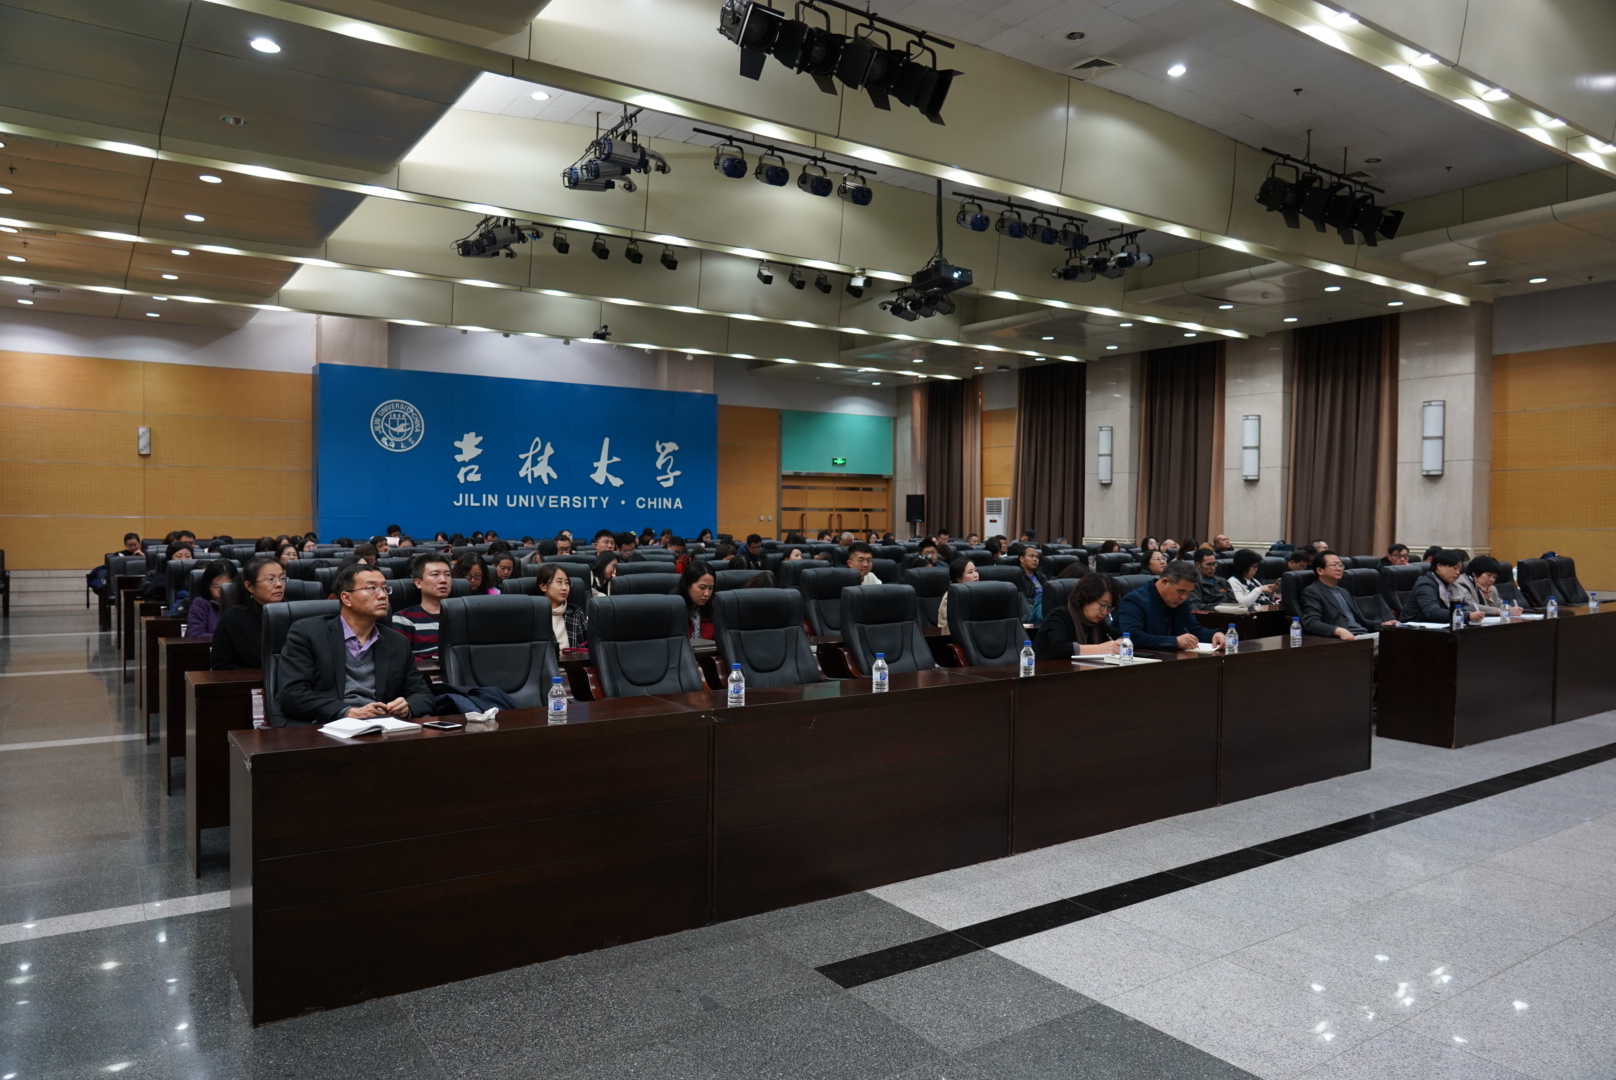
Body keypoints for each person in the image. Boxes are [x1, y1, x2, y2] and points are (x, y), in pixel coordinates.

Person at [274, 564, 433, 727]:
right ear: (346, 598)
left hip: (381, 726)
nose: (382, 595)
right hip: (326, 725)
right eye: (371, 588)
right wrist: (346, 712)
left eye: (385, 589)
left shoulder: (397, 642)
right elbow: (292, 694)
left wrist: (407, 707)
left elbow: (422, 694)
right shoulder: (307, 633)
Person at [1117, 561, 1224, 651]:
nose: (1184, 597)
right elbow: (1132, 637)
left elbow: (1193, 628)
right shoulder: (1134, 600)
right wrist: (1175, 642)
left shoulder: (1180, 601)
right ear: (1164, 582)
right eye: (1181, 591)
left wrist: (1214, 635)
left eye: (1188, 593)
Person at [210, 556, 285, 670]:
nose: (279, 584)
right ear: (249, 586)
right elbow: (220, 667)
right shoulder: (231, 620)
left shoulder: (294, 614)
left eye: (282, 578)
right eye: (270, 580)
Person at [1033, 572, 1122, 660]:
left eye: (1109, 607)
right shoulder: (1058, 617)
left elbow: (1121, 636)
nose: (1105, 612)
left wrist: (1120, 643)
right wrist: (1099, 649)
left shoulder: (1096, 623)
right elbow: (1058, 648)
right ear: (1087, 597)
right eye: (1103, 605)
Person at [1299, 551, 1378, 639]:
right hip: (1344, 639)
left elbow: (1357, 620)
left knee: (1389, 635)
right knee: (1387, 639)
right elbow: (1311, 623)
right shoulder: (1312, 592)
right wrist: (1338, 630)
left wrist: (1382, 624)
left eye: (1340, 565)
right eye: (1334, 565)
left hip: (1363, 634)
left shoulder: (1343, 591)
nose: (1339, 569)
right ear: (1320, 570)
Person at [392, 552, 452, 664]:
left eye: (447, 574)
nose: (443, 580)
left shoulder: (462, 616)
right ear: (418, 583)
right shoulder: (403, 619)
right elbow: (400, 658)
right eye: (435, 574)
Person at [534, 563, 588, 652]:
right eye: (559, 582)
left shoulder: (576, 612)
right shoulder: (535, 616)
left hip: (576, 660)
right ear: (543, 586)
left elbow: (590, 644)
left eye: (567, 583)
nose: (564, 588)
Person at [1407, 549, 1468, 622]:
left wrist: (1466, 613)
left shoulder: (1453, 586)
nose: (1458, 572)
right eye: (1455, 568)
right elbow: (1433, 612)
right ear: (1439, 566)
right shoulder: (1426, 585)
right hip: (1415, 626)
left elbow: (1466, 606)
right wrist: (1466, 615)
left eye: (1459, 570)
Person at [185, 560, 239, 638]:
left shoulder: (244, 603)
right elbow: (195, 635)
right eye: (216, 586)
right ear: (208, 586)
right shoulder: (200, 604)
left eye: (227, 586)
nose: (221, 591)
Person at [1453, 555, 1521, 617]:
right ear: (1475, 573)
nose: (1492, 580)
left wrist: (1510, 609)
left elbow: (1498, 603)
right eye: (1489, 575)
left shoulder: (1491, 588)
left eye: (1494, 577)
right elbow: (1470, 606)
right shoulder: (1462, 584)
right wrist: (1498, 611)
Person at [937, 556, 979, 634]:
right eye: (970, 572)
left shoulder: (979, 591)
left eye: (976, 570)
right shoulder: (950, 596)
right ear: (959, 578)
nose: (976, 575)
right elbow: (956, 625)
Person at [677, 562, 716, 640]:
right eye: (702, 587)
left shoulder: (715, 608)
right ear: (688, 585)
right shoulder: (674, 609)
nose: (707, 593)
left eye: (710, 588)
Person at [1015, 544, 1049, 623]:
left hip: (1044, 605)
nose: (1035, 559)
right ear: (1022, 559)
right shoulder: (1017, 576)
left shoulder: (1041, 576)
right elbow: (1022, 600)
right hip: (1031, 608)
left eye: (1037, 557)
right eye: (1031, 556)